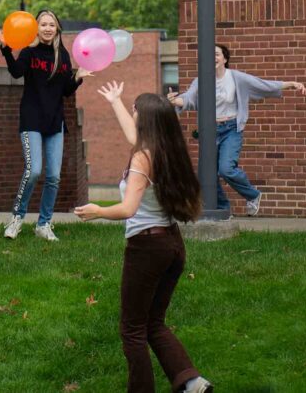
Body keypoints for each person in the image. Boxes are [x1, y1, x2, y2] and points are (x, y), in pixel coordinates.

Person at [75, 82, 212, 393]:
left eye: (135, 110)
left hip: (147, 248)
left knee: (133, 329)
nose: (132, 114)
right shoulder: (167, 151)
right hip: (173, 246)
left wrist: (98, 210)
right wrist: (115, 102)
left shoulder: (142, 159)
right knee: (154, 323)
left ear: (145, 119)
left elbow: (127, 208)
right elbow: (132, 137)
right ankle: (192, 382)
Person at [167, 44, 306, 216]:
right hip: (209, 131)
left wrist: (292, 84)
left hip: (231, 129)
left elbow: (263, 85)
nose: (213, 58)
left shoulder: (236, 78)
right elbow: (188, 98)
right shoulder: (200, 80)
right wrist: (175, 101)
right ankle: (224, 209)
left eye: (216, 54)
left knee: (226, 169)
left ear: (225, 59)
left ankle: (253, 195)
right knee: (207, 173)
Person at [0, 10, 90, 241]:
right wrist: (6, 48)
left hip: (55, 122)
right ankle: (17, 218)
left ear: (57, 29)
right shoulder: (29, 52)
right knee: (34, 170)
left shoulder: (62, 56)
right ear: (36, 28)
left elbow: (65, 91)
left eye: (52, 25)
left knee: (53, 177)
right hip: (32, 120)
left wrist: (78, 78)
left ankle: (44, 224)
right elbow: (16, 73)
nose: (48, 28)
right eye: (43, 24)